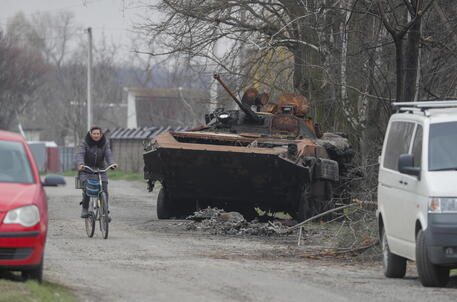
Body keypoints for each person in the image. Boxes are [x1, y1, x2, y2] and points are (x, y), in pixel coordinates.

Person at [76, 126, 118, 218]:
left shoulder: (105, 143)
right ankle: (85, 208)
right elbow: (81, 154)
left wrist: (112, 163)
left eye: (97, 134)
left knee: (104, 189)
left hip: (100, 169)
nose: (96, 135)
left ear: (101, 134)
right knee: (88, 189)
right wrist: (81, 164)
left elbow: (108, 154)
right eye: (94, 134)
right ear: (90, 134)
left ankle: (104, 212)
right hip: (86, 169)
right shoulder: (84, 143)